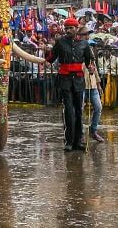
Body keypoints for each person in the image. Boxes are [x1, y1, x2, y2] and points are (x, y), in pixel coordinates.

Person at [46, 17, 92, 151]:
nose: (68, 30)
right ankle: (69, 141)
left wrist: (91, 67)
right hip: (65, 79)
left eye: (71, 28)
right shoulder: (60, 42)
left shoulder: (84, 44)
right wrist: (46, 52)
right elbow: (51, 58)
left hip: (78, 80)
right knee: (68, 111)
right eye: (66, 28)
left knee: (78, 110)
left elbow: (89, 61)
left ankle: (79, 140)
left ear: (76, 28)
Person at [83, 51, 104, 143]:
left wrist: (99, 85)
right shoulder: (80, 60)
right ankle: (79, 133)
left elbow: (95, 73)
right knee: (79, 109)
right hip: (82, 86)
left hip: (93, 86)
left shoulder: (92, 61)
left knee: (98, 107)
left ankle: (93, 130)